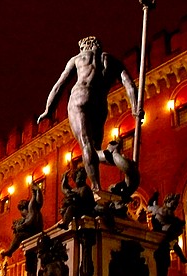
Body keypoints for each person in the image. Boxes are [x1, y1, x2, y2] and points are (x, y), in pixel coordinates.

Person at [37, 36, 141, 192]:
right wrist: (135, 109)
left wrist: (48, 110)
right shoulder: (111, 61)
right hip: (99, 104)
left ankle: (96, 187)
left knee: (86, 145)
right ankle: (112, 156)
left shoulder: (78, 58)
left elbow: (59, 85)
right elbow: (130, 85)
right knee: (95, 148)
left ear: (85, 46)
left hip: (80, 98)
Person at [1, 185, 43, 257]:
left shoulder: (32, 209)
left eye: (21, 210)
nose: (21, 213)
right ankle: (10, 251)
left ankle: (10, 251)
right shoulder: (26, 216)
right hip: (32, 235)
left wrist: (37, 191)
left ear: (24, 208)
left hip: (36, 233)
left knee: (19, 236)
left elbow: (39, 202)